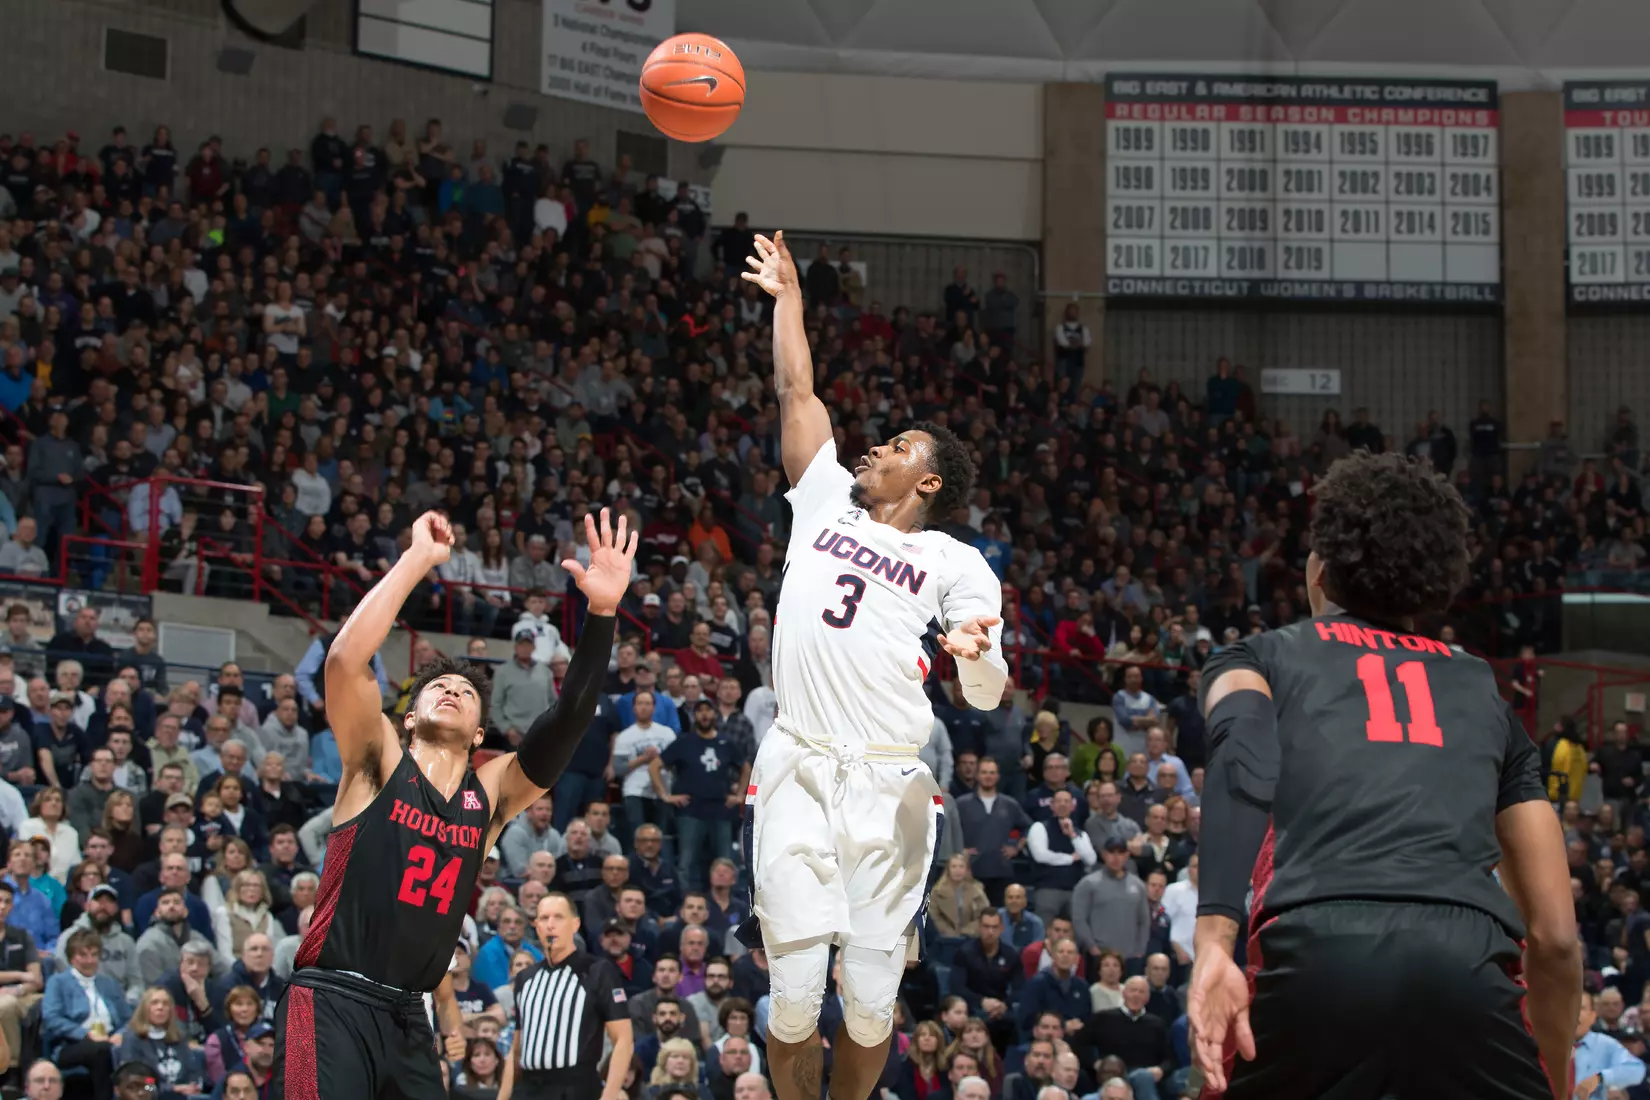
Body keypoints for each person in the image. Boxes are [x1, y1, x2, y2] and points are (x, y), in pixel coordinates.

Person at [1187, 452, 1582, 1100]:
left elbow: (1241, 756)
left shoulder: (1260, 655)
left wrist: (1214, 942)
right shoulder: (1485, 691)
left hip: (1318, 953)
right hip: (1466, 968)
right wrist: (1552, 1081)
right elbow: (1557, 938)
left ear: (1320, 570)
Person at [738, 231, 1009, 1100]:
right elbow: (796, 389)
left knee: (864, 1009)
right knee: (790, 1001)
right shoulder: (821, 500)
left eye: (896, 445)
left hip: (891, 784)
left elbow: (990, 690)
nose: (875, 448)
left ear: (926, 482)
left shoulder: (953, 562)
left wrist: (972, 657)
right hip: (799, 760)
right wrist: (789, 301)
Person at [272, 509, 636, 1100]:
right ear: (408, 716)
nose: (451, 689)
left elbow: (568, 721)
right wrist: (417, 560)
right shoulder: (378, 760)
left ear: (478, 734)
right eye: (436, 686)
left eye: (466, 692)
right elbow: (344, 662)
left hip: (408, 1014)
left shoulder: (488, 796)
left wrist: (601, 614)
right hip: (333, 994)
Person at [504, 893, 633, 1100]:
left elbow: (623, 1040)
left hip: (576, 1088)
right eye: (544, 918)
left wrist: (608, 1096)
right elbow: (516, 1050)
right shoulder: (524, 979)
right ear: (536, 925)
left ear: (575, 924)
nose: (550, 925)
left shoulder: (597, 971)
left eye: (558, 917)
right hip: (528, 1089)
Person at [42, 927, 131, 1097]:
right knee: (102, 1050)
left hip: (111, 1040)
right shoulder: (58, 982)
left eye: (94, 954)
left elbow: (128, 1019)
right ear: (71, 957)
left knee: (140, 1047)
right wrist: (86, 1034)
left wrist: (121, 1034)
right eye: (83, 955)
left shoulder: (109, 984)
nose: (89, 960)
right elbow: (52, 1018)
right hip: (70, 1045)